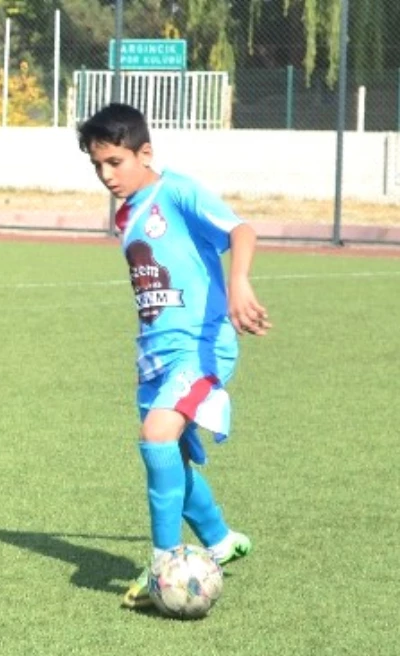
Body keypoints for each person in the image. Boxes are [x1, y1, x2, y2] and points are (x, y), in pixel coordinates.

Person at [76, 103, 271, 609]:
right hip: (155, 355)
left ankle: (164, 562)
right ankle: (222, 540)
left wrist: (239, 281)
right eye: (98, 165)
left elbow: (240, 230)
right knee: (171, 460)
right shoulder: (126, 213)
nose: (106, 175)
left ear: (145, 153)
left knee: (156, 437)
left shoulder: (177, 191)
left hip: (201, 346)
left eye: (115, 162)